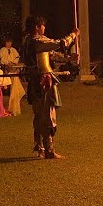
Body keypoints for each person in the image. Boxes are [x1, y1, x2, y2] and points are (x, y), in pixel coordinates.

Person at [22, 15, 78, 159]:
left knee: (39, 115)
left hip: (36, 81)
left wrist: (68, 58)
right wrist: (73, 35)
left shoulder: (29, 41)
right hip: (43, 81)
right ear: (37, 27)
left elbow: (51, 54)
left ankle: (40, 148)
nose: (44, 28)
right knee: (46, 115)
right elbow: (60, 43)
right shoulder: (38, 41)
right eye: (42, 25)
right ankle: (48, 150)